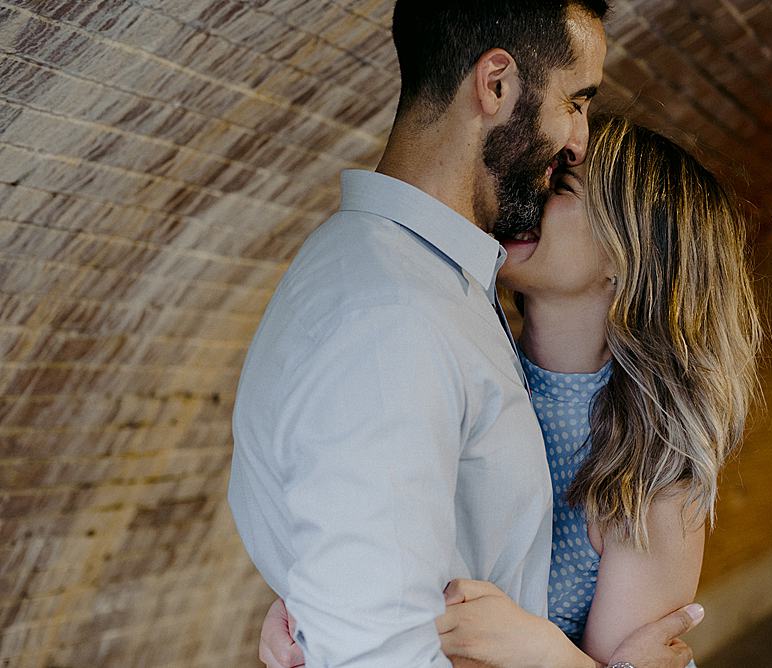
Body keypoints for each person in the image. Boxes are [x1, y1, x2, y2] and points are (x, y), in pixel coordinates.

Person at [228, 0, 700, 665]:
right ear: (496, 84)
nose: (578, 139)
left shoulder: (440, 285)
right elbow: (376, 651)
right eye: (575, 102)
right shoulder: (395, 317)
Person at [258, 113, 763, 666]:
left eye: (561, 185)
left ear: (629, 256)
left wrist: (541, 652)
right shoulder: (447, 348)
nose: (529, 193)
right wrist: (316, 607)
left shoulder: (650, 466)